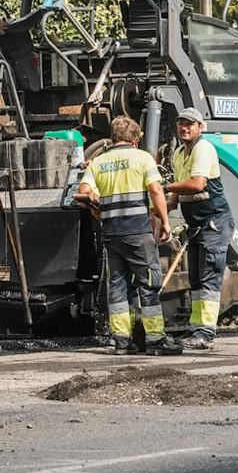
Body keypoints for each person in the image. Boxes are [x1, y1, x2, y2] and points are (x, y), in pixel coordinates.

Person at [76, 115, 182, 355]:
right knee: (149, 283)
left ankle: (122, 341)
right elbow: (155, 189)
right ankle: (155, 339)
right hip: (138, 232)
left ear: (113, 139)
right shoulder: (142, 158)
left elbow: (84, 191)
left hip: (112, 234)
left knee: (118, 286)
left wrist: (97, 206)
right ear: (135, 140)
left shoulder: (99, 162)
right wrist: (164, 221)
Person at [167, 106, 234, 351]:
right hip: (196, 225)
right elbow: (176, 197)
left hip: (214, 222)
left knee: (208, 277)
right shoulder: (178, 154)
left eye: (190, 124)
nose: (185, 128)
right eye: (181, 123)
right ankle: (196, 326)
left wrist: (166, 187)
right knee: (196, 278)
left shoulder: (203, 148)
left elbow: (196, 184)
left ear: (200, 127)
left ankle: (206, 331)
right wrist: (160, 212)